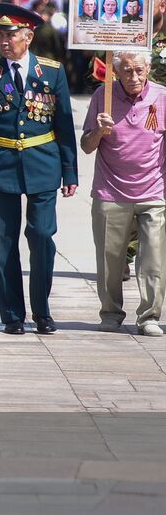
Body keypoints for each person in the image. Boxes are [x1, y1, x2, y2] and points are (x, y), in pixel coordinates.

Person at [0, 3, 78, 336]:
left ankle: (41, 310)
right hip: (0, 166)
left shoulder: (52, 72)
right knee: (3, 244)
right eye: (0, 34)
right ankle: (12, 313)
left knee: (42, 236)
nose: (4, 41)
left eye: (11, 35)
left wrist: (70, 172)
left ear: (28, 37)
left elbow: (64, 124)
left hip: (43, 162)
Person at [81, 52, 166, 337]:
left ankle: (149, 316)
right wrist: (100, 132)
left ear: (149, 69)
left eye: (139, 70)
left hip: (153, 191)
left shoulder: (162, 97)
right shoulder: (101, 97)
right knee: (110, 259)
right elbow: (86, 145)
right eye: (127, 71)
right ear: (115, 72)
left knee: (154, 258)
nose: (134, 77)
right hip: (111, 190)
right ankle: (110, 312)